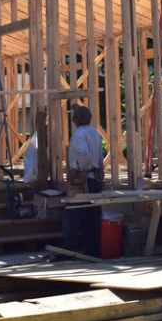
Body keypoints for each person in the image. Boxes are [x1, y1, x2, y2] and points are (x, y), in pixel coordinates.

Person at [62, 104, 104, 257]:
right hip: (95, 179)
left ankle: (70, 249)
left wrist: (74, 173)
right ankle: (92, 250)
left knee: (73, 213)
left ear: (76, 119)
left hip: (84, 180)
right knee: (92, 216)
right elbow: (99, 155)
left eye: (74, 116)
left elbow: (83, 156)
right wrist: (100, 170)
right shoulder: (94, 132)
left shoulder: (79, 135)